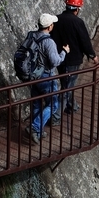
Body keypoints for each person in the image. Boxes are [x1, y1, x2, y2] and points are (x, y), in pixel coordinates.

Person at [53, 0, 97, 113]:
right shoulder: (78, 22)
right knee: (67, 87)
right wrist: (92, 55)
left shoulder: (56, 20)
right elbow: (84, 41)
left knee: (66, 84)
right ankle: (56, 116)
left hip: (60, 58)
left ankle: (71, 106)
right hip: (73, 60)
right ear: (77, 9)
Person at [29, 13, 69, 143]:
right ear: (49, 26)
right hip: (46, 76)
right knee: (53, 104)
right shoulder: (49, 42)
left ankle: (38, 131)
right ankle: (34, 127)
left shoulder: (32, 36)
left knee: (36, 103)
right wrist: (64, 52)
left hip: (34, 75)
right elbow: (55, 61)